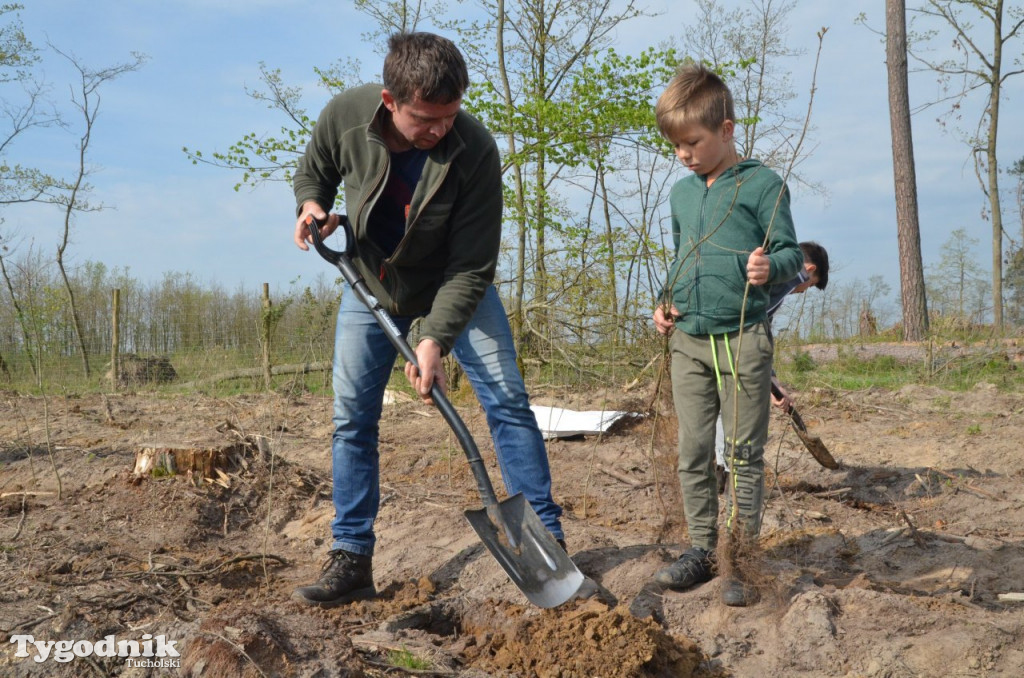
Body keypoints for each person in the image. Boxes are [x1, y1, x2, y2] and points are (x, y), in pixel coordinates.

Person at [289, 32, 566, 608]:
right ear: (390, 100)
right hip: (370, 282)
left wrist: (435, 338)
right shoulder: (346, 115)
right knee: (351, 420)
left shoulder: (474, 147)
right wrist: (312, 205)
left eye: (450, 114)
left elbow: (472, 265)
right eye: (425, 119)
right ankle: (351, 556)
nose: (439, 129)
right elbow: (315, 171)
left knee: (508, 403)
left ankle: (548, 545)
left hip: (453, 285)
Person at [649, 63, 804, 607]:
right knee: (693, 451)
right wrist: (665, 304)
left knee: (742, 453)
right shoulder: (682, 195)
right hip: (688, 341)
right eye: (676, 146)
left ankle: (739, 556)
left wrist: (771, 268)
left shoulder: (763, 185)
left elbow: (792, 254)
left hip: (742, 339)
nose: (684, 154)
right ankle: (701, 549)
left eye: (693, 142)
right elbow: (680, 257)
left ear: (728, 129)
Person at [714, 241, 830, 490]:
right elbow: (751, 330)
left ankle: (721, 475)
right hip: (726, 343)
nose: (802, 291)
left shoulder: (772, 274)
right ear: (808, 270)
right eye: (809, 285)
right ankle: (726, 476)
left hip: (719, 341)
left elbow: (760, 326)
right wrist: (766, 379)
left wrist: (772, 379)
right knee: (734, 407)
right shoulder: (784, 278)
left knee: (720, 408)